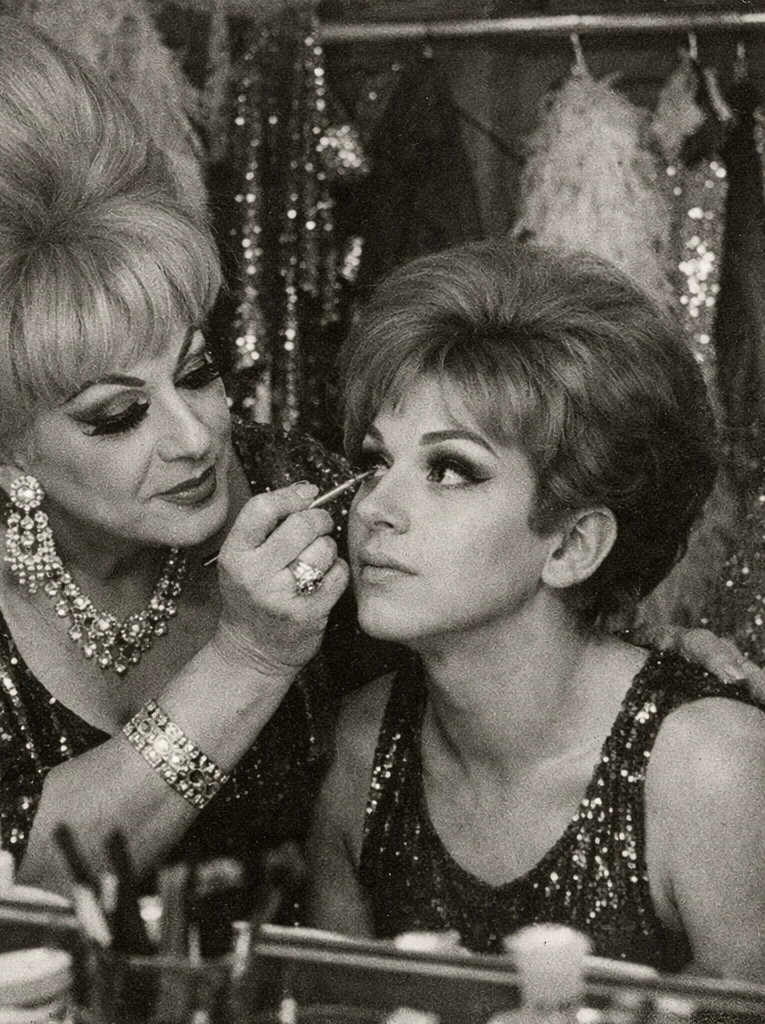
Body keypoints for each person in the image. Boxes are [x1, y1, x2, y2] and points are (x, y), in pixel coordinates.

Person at [0, 16, 760, 897]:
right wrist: (245, 661)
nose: (197, 437)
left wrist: (635, 661)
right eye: (118, 416)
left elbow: (490, 604)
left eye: (196, 374)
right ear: (2, 450)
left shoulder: (288, 487)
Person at [307, 240, 765, 981]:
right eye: (374, 463)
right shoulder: (363, 747)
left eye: (450, 470)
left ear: (574, 545)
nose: (376, 510)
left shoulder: (710, 767)